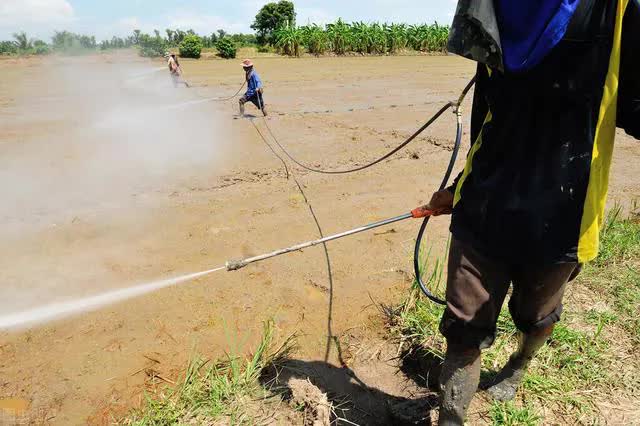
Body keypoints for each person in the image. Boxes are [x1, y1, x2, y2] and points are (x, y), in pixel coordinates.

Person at [419, 1, 640, 424]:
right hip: (484, 202)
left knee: (535, 316)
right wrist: (459, 185)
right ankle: (451, 418)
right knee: (463, 327)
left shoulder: (619, 10)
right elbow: (489, 113)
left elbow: (634, 104)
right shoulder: (491, 9)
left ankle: (520, 363)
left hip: (563, 212)